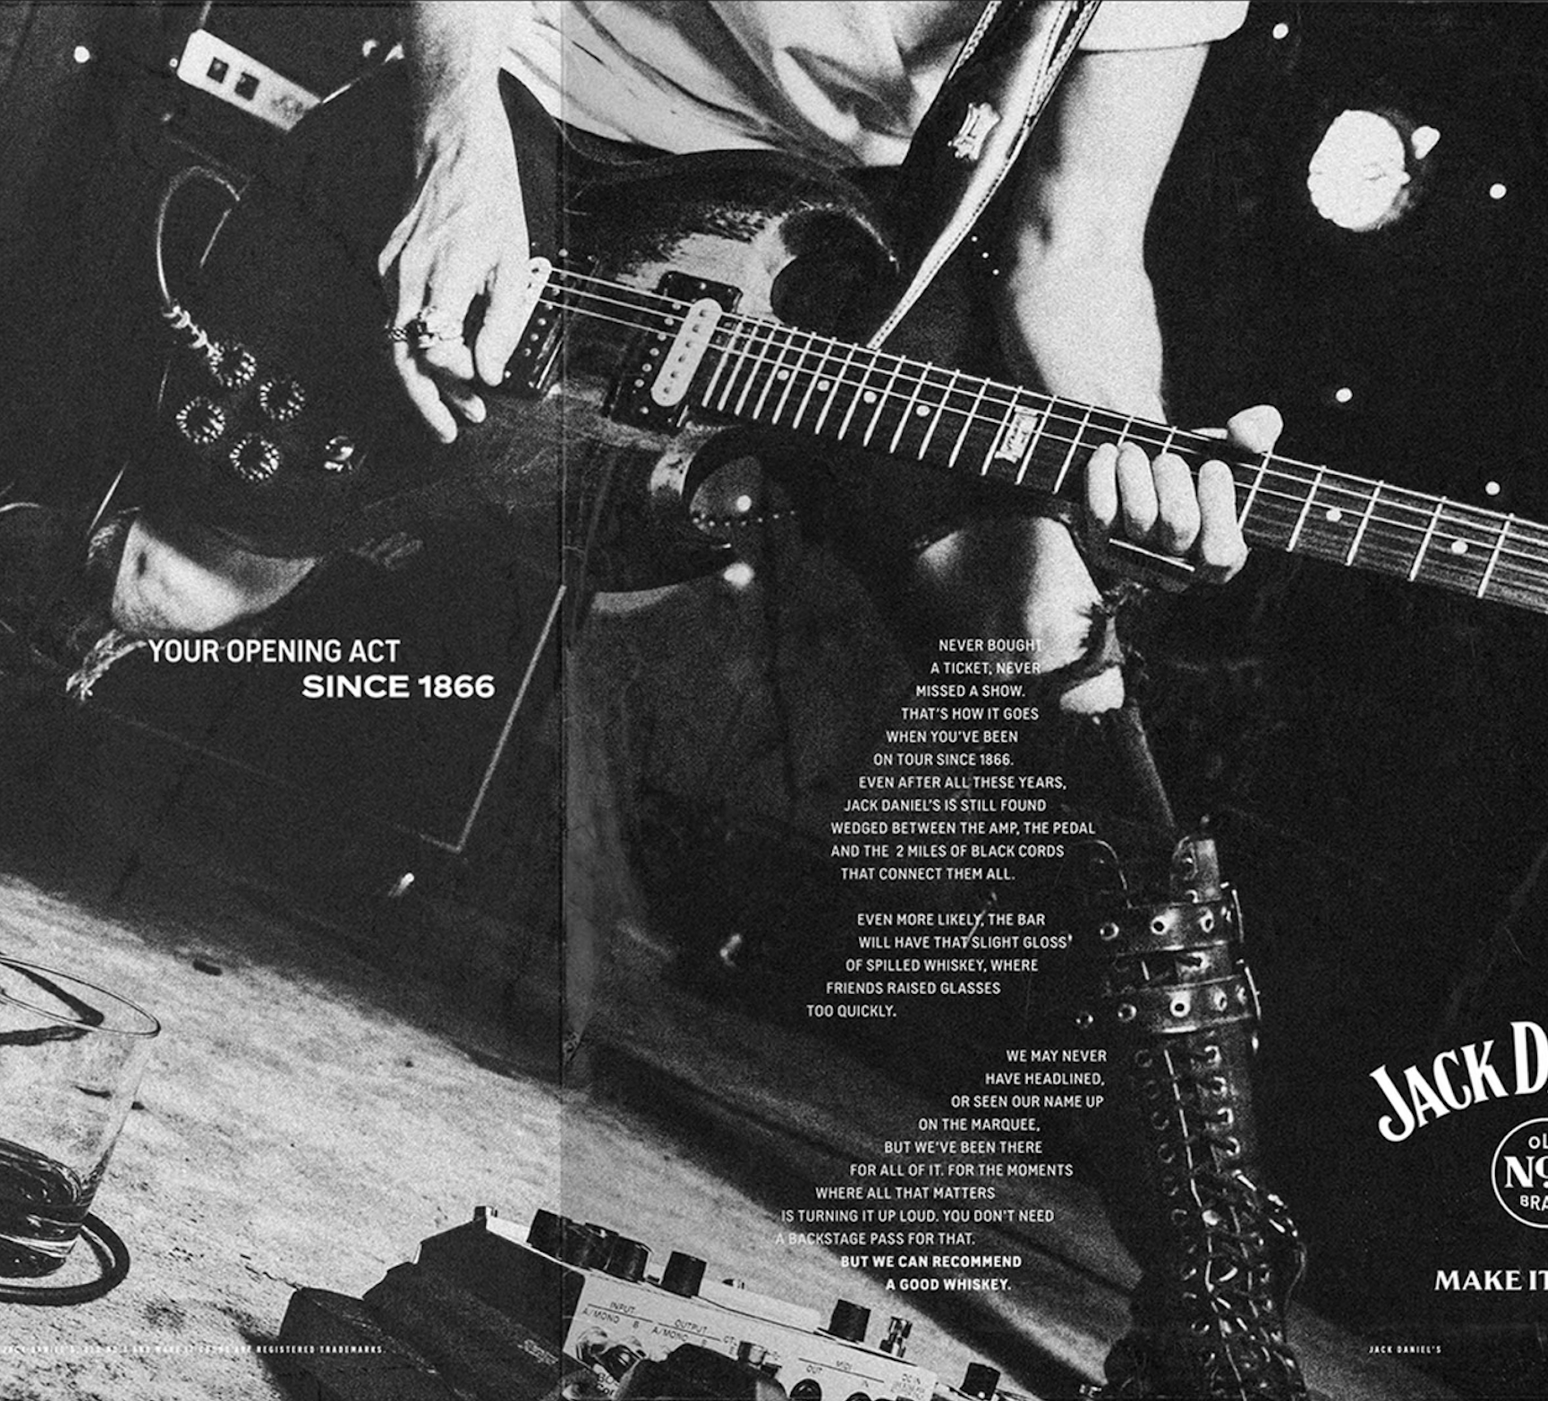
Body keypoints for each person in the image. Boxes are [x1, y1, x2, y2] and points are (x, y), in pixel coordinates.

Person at [86, 4, 1309, 1396]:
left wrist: (1137, 455)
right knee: (167, 597)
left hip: (838, 266)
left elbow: (1076, 239)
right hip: (527, 131)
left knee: (1059, 636)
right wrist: (454, 151)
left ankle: (1210, 1319)